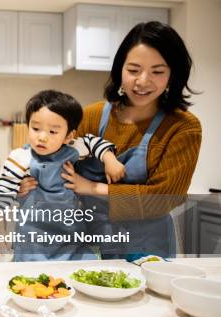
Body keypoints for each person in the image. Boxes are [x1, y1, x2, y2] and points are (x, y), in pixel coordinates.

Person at [48, 21, 201, 261]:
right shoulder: (91, 116)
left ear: (173, 74)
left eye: (157, 72)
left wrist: (92, 187)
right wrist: (30, 182)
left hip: (148, 245)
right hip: (90, 242)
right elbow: (58, 170)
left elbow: (163, 199)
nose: (142, 81)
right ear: (120, 70)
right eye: (133, 70)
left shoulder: (183, 127)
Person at [0, 90, 125, 261]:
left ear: (68, 136)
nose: (42, 137)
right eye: (35, 128)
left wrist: (110, 159)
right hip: (33, 243)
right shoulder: (20, 158)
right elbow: (0, 198)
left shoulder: (74, 148)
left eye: (53, 132)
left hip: (72, 239)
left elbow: (93, 142)